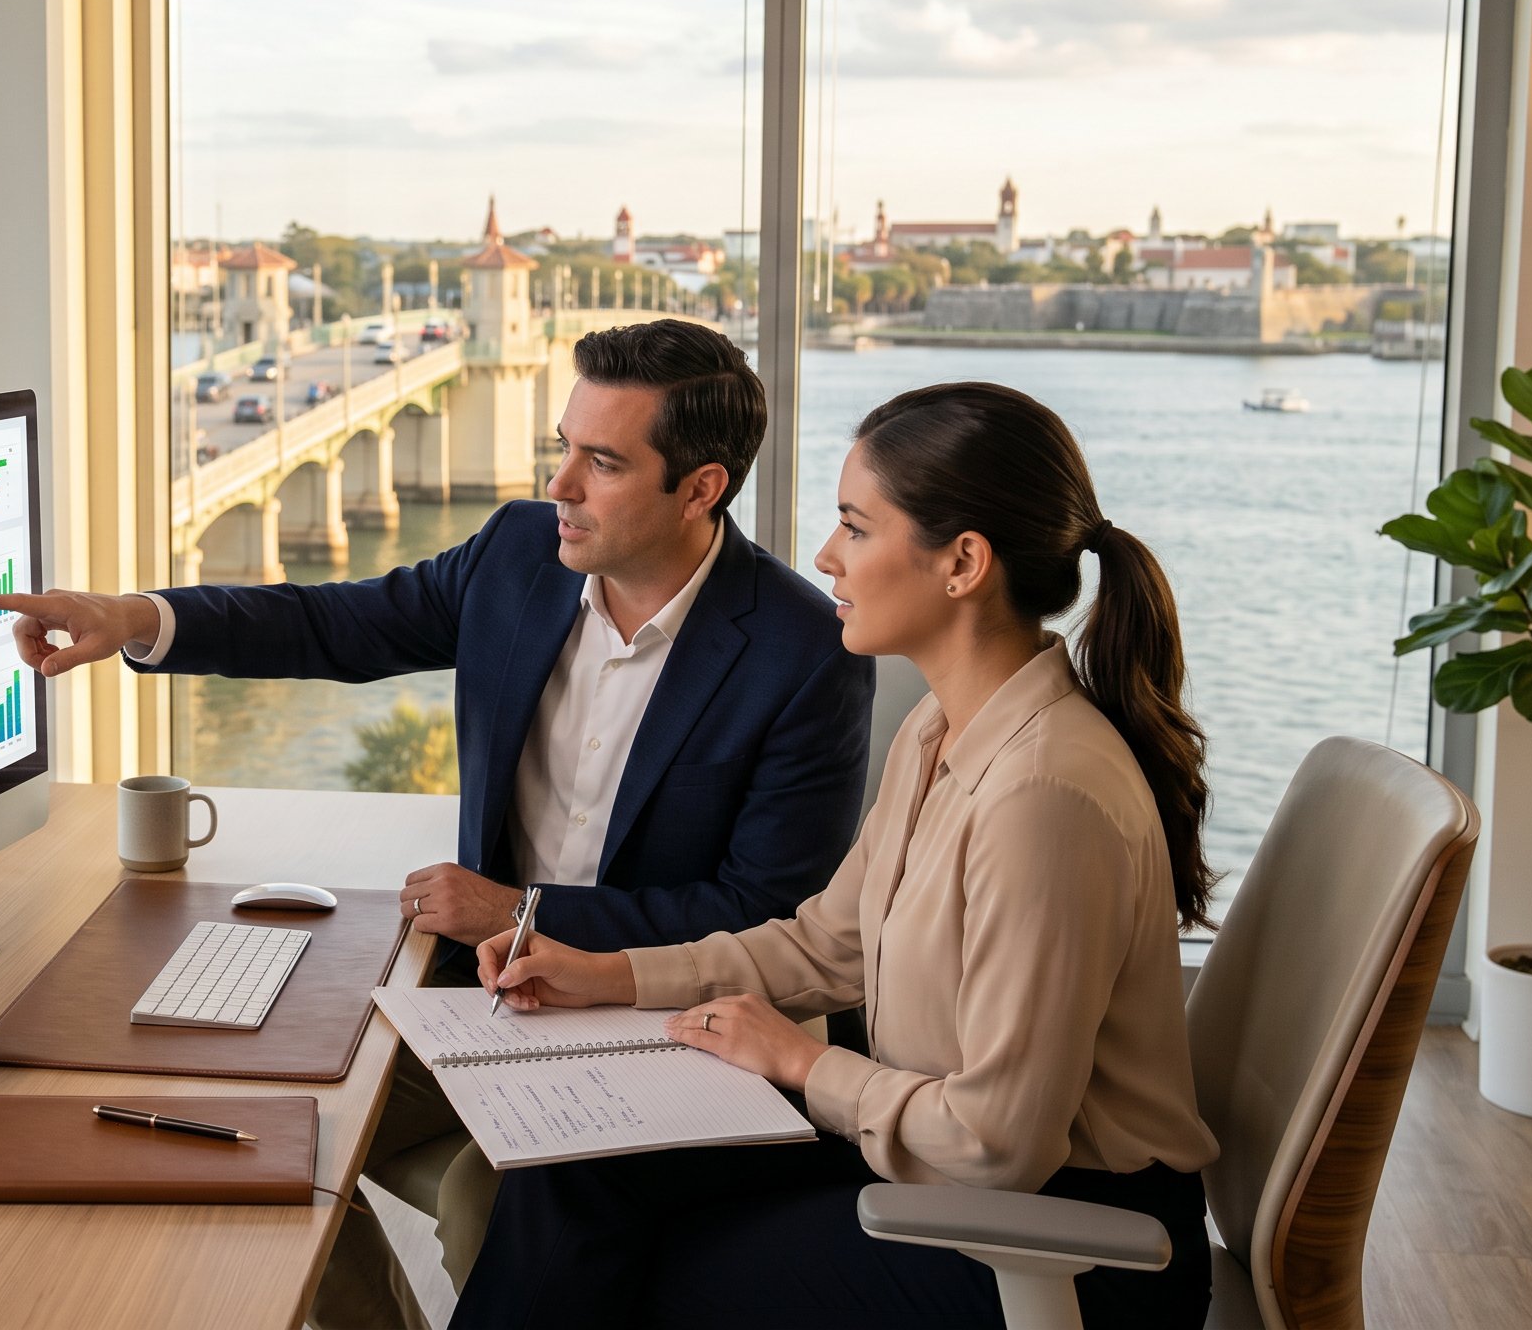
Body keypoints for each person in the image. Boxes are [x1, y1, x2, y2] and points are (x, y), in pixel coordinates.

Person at [0, 319, 873, 1330]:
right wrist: (136, 620)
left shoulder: (804, 654)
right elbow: (335, 622)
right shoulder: (516, 558)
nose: (560, 486)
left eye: (602, 462)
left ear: (700, 489)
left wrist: (523, 909)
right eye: (561, 447)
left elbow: (762, 911)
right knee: (243, 1138)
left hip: (668, 1025)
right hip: (481, 996)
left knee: (479, 1208)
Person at [456, 382, 1221, 1330]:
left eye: (856, 528)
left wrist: (798, 1064)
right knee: (576, 1186)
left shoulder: (1045, 796)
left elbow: (998, 1142)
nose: (825, 557)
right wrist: (603, 975)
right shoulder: (943, 730)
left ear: (963, 563)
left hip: (1059, 1240)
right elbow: (828, 945)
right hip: (944, 1166)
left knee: (653, 1275)